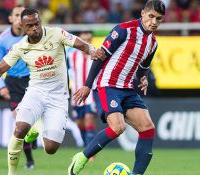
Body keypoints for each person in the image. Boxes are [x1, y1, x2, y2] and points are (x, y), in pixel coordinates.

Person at [0, 8, 104, 175]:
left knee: (50, 148)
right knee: (19, 128)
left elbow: (81, 44)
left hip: (58, 98)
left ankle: (34, 132)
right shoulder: (20, 47)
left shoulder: (56, 34)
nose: (34, 28)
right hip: (35, 93)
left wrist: (92, 50)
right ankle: (11, 173)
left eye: (37, 23)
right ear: (22, 27)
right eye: (29, 25)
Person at [68, 1, 165, 175]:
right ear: (143, 13)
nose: (154, 22)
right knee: (118, 127)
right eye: (151, 16)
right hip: (108, 84)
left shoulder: (153, 43)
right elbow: (100, 56)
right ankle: (80, 159)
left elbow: (143, 67)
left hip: (128, 89)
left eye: (158, 19)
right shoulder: (123, 30)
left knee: (147, 128)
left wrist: (143, 79)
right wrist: (87, 85)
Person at [0, 5, 36, 170]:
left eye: (23, 15)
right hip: (12, 83)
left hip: (31, 80)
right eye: (17, 15)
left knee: (32, 120)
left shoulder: (33, 35)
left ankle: (34, 137)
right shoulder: (3, 39)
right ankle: (30, 160)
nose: (20, 18)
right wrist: (1, 85)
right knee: (20, 123)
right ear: (11, 18)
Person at [66, 31, 97, 149]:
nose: (86, 42)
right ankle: (86, 148)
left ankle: (91, 152)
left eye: (88, 40)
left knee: (89, 119)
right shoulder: (71, 55)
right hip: (76, 94)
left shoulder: (96, 55)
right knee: (79, 123)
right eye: (84, 40)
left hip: (92, 94)